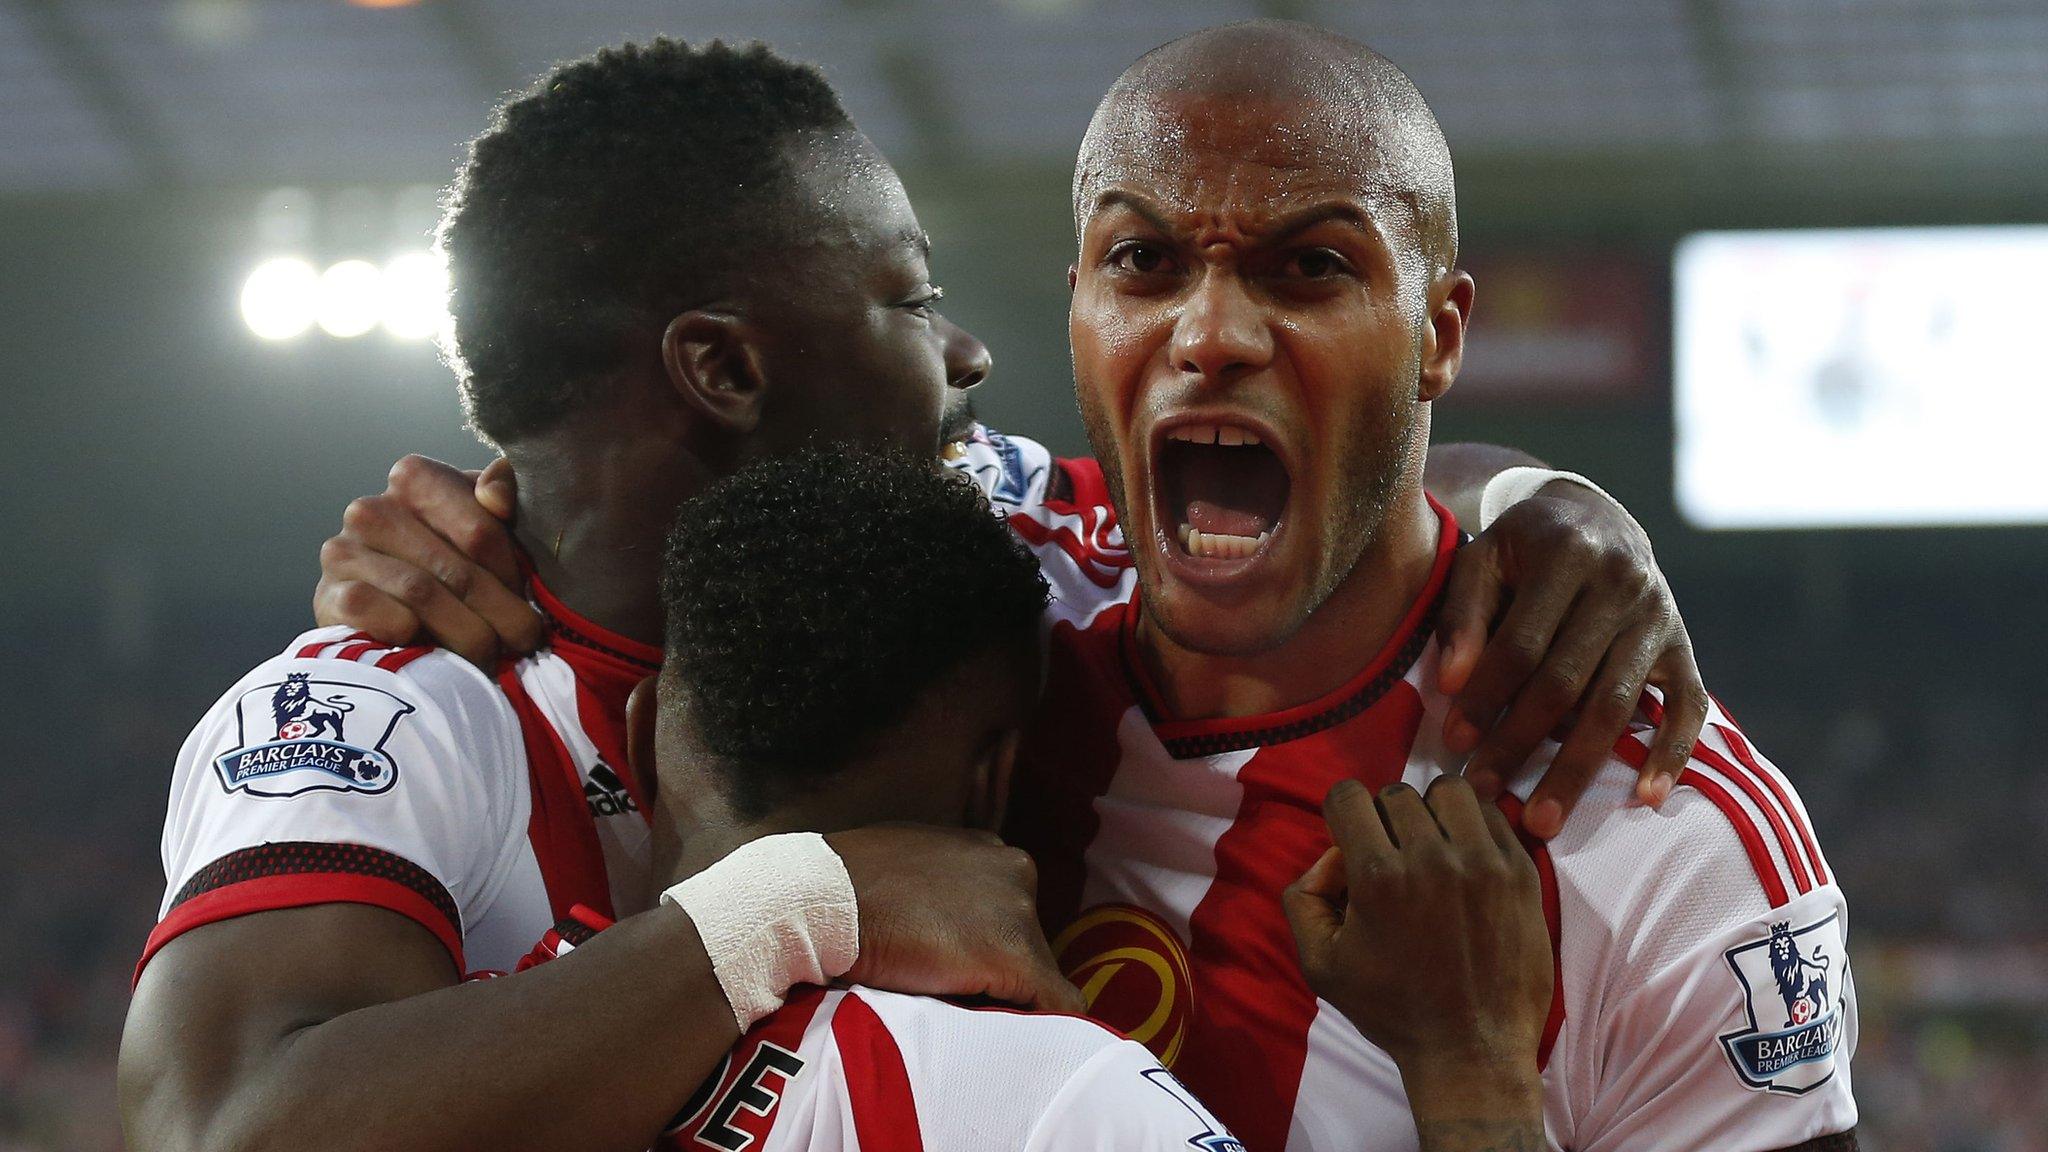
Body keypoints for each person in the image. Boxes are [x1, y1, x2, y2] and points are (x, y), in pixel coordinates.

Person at [125, 35, 1700, 1152]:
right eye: (910, 298)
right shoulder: (380, 708)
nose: (967, 356)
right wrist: (810, 897)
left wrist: (1547, 504)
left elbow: (1343, 498)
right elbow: (234, 1131)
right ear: (727, 368)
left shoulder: (973, 530)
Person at [992, 21, 1856, 1151]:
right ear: (1074, 308)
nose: (1207, 335)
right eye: (1141, 262)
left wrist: (1474, 1094)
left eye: (1307, 266)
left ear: (1437, 336)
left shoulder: (1663, 835)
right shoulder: (985, 580)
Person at [523, 441, 1550, 1150]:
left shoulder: (460, 1056)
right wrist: (1474, 1073)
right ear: (992, 779)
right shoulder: (1055, 1101)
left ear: (646, 733)